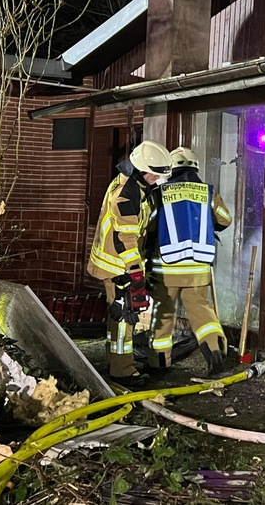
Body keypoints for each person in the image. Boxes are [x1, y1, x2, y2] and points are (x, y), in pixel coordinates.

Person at [86, 139, 171, 388]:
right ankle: (122, 370)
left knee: (124, 316)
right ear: (141, 170)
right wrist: (135, 274)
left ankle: (122, 362)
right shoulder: (127, 194)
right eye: (154, 175)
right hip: (117, 266)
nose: (156, 179)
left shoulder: (137, 186)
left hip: (121, 264)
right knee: (123, 318)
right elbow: (125, 237)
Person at [146, 146, 233, 375]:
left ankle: (159, 363)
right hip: (198, 268)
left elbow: (150, 224)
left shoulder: (160, 193)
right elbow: (225, 219)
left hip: (166, 269)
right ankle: (215, 354)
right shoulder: (207, 192)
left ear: (171, 167)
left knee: (163, 314)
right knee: (201, 312)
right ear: (195, 167)